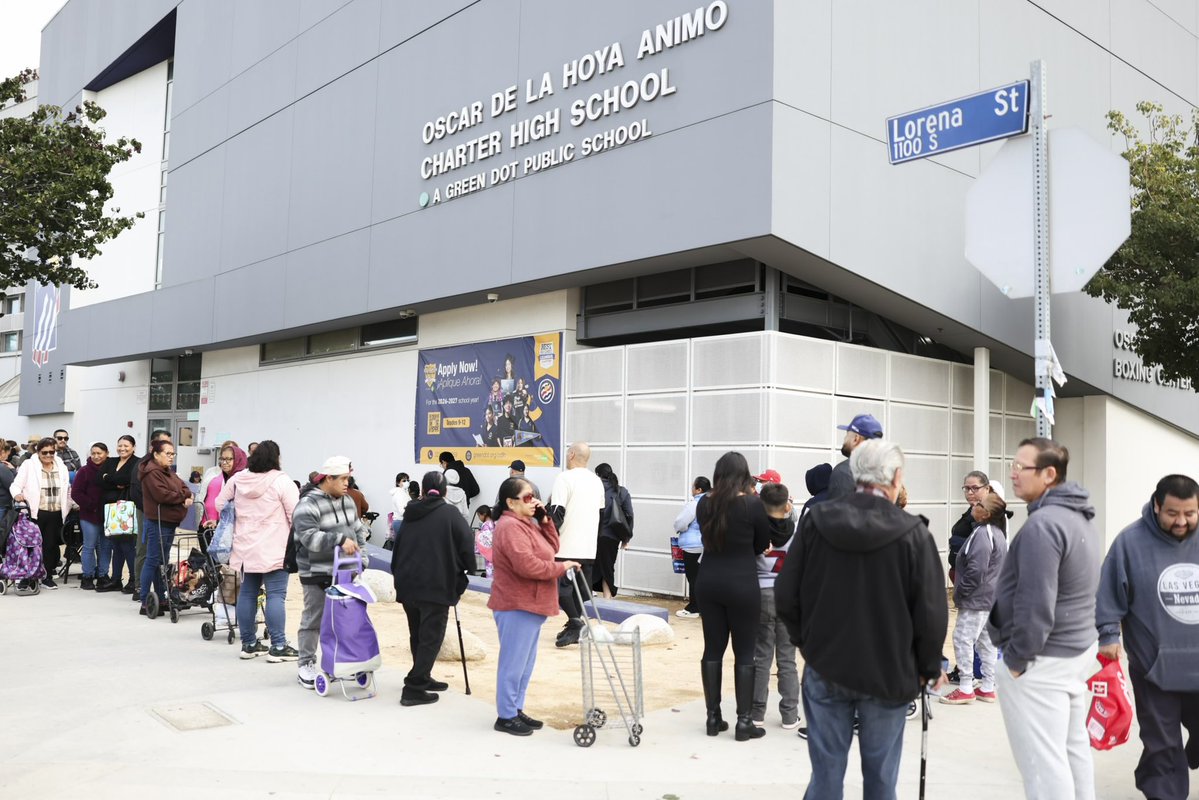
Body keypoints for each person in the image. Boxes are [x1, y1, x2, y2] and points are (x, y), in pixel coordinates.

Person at [775, 439, 948, 796]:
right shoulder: (914, 534)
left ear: (854, 474)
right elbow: (931, 613)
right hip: (889, 672)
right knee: (881, 779)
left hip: (826, 664)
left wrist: (807, 643)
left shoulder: (816, 522)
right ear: (896, 477)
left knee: (825, 776)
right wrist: (928, 667)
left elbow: (786, 595)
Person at [990, 437, 1102, 800]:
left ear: (1049, 474)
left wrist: (1018, 660)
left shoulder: (1044, 526)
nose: (1013, 474)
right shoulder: (1077, 517)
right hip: (1071, 653)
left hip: (1042, 660)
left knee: (1042, 764)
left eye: (1022, 467)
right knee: (1070, 752)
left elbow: (1037, 604)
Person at [1095, 474, 1199, 800]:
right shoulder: (1130, 543)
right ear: (1156, 506)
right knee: (1163, 747)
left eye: (1190, 513)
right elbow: (1110, 595)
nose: (1181, 521)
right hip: (1155, 668)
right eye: (1172, 513)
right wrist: (1109, 635)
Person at [488, 476, 580, 735]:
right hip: (516, 603)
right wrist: (562, 567)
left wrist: (544, 518)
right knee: (513, 663)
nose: (534, 501)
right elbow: (526, 564)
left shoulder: (526, 523)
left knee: (524, 663)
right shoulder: (509, 527)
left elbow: (552, 546)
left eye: (534, 496)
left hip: (531, 604)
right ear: (510, 502)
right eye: (528, 498)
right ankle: (506, 715)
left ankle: (515, 709)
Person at [694, 451, 772, 741]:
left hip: (709, 581)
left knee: (712, 649)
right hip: (742, 583)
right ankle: (744, 721)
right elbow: (761, 543)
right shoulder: (752, 505)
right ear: (744, 474)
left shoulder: (704, 503)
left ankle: (713, 718)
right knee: (745, 651)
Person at [390, 470, 475, 706]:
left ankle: (422, 675)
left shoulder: (410, 514)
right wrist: (465, 570)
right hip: (436, 585)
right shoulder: (451, 514)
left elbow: (398, 549)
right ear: (445, 491)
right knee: (431, 637)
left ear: (424, 491)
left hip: (408, 583)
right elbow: (467, 546)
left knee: (418, 633)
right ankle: (414, 687)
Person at [292, 456, 372, 690]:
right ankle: (305, 663)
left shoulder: (347, 501)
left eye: (348, 478)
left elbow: (358, 531)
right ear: (329, 478)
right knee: (313, 619)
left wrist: (363, 560)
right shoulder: (307, 505)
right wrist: (338, 539)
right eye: (344, 479)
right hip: (316, 572)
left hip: (346, 572)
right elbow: (308, 539)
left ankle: (339, 661)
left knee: (343, 621)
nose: (348, 483)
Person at [216, 440, 300, 661]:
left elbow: (218, 504)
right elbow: (296, 516)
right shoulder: (282, 481)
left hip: (244, 548)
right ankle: (279, 646)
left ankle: (249, 644)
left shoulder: (238, 479)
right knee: (276, 595)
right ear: (276, 458)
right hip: (275, 548)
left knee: (247, 594)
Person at [942, 490, 1008, 705]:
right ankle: (988, 686)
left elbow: (976, 570)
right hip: (990, 598)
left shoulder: (983, 534)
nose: (974, 505)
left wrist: (959, 592)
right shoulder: (997, 532)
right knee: (986, 643)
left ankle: (965, 687)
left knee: (962, 639)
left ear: (986, 513)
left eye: (979, 503)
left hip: (976, 599)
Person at [751, 482, 801, 731]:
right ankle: (790, 715)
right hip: (787, 596)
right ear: (787, 505)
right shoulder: (796, 532)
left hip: (761, 594)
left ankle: (757, 712)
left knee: (761, 656)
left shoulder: (756, 531)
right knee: (787, 659)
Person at [546, 442, 605, 648]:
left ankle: (575, 623)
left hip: (566, 545)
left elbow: (557, 513)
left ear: (571, 454)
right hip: (588, 546)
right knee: (581, 589)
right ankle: (574, 623)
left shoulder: (564, 478)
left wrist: (548, 539)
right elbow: (601, 512)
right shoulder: (597, 481)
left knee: (560, 589)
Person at [136, 438, 193, 616]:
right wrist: (182, 497)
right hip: (157, 521)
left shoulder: (168, 471)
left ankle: (160, 598)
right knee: (153, 560)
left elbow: (185, 487)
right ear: (155, 454)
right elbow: (162, 495)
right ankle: (145, 600)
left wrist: (184, 494)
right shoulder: (152, 472)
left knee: (162, 562)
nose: (171, 457)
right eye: (167, 454)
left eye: (172, 454)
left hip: (169, 521)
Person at [12, 437, 74, 590]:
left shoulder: (61, 465)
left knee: (50, 546)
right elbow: (15, 485)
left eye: (51, 452)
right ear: (38, 452)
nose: (48, 455)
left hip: (56, 511)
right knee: (32, 546)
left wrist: (72, 502)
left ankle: (46, 576)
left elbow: (67, 488)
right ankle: (28, 576)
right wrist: (17, 495)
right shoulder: (29, 465)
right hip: (36, 511)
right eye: (44, 452)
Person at [130, 428, 172, 599]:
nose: (169, 452)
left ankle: (160, 592)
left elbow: (179, 487)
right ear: (153, 448)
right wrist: (150, 508)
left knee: (161, 557)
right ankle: (141, 589)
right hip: (148, 514)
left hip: (164, 517)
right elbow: (141, 492)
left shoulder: (165, 468)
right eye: (164, 446)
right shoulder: (145, 467)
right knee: (145, 551)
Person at [97, 435, 138, 593]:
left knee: (128, 546)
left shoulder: (136, 462)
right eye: (120, 445)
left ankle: (134, 580)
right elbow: (98, 479)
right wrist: (114, 481)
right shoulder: (110, 461)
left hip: (126, 510)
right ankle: (116, 579)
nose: (122, 448)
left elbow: (129, 479)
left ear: (133, 447)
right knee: (116, 546)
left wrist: (109, 478)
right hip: (110, 510)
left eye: (126, 445)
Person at [72, 442, 109, 590]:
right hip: (89, 515)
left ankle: (103, 575)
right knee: (89, 546)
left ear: (106, 453)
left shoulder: (111, 469)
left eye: (99, 453)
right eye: (93, 453)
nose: (96, 456)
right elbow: (76, 493)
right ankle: (87, 576)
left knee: (106, 547)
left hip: (108, 516)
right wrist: (91, 505)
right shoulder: (84, 471)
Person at [592, 463, 633, 598]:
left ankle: (586, 598)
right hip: (612, 537)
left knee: (589, 567)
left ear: (597, 475)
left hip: (592, 535)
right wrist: (626, 539)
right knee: (608, 567)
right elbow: (629, 515)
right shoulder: (622, 491)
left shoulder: (592, 489)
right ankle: (607, 599)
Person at [673, 476, 710, 618]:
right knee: (703, 578)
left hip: (692, 545)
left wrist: (680, 529)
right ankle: (703, 606)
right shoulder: (713, 502)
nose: (692, 489)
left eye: (693, 486)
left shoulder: (694, 504)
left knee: (693, 577)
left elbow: (681, 522)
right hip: (707, 545)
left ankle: (693, 608)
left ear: (699, 489)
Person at [826, 414, 884, 501]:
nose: (845, 439)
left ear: (855, 439)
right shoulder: (886, 472)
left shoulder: (843, 472)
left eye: (847, 434)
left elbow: (837, 512)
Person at [199, 443, 247, 530]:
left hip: (235, 528)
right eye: (222, 459)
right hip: (211, 520)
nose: (224, 462)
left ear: (238, 458)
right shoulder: (215, 472)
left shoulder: (241, 479)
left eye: (229, 459)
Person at [475, 505, 495, 578]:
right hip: (496, 551)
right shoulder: (493, 523)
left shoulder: (485, 525)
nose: (479, 518)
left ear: (484, 514)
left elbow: (485, 540)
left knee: (489, 571)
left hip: (489, 552)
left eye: (479, 516)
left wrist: (476, 549)